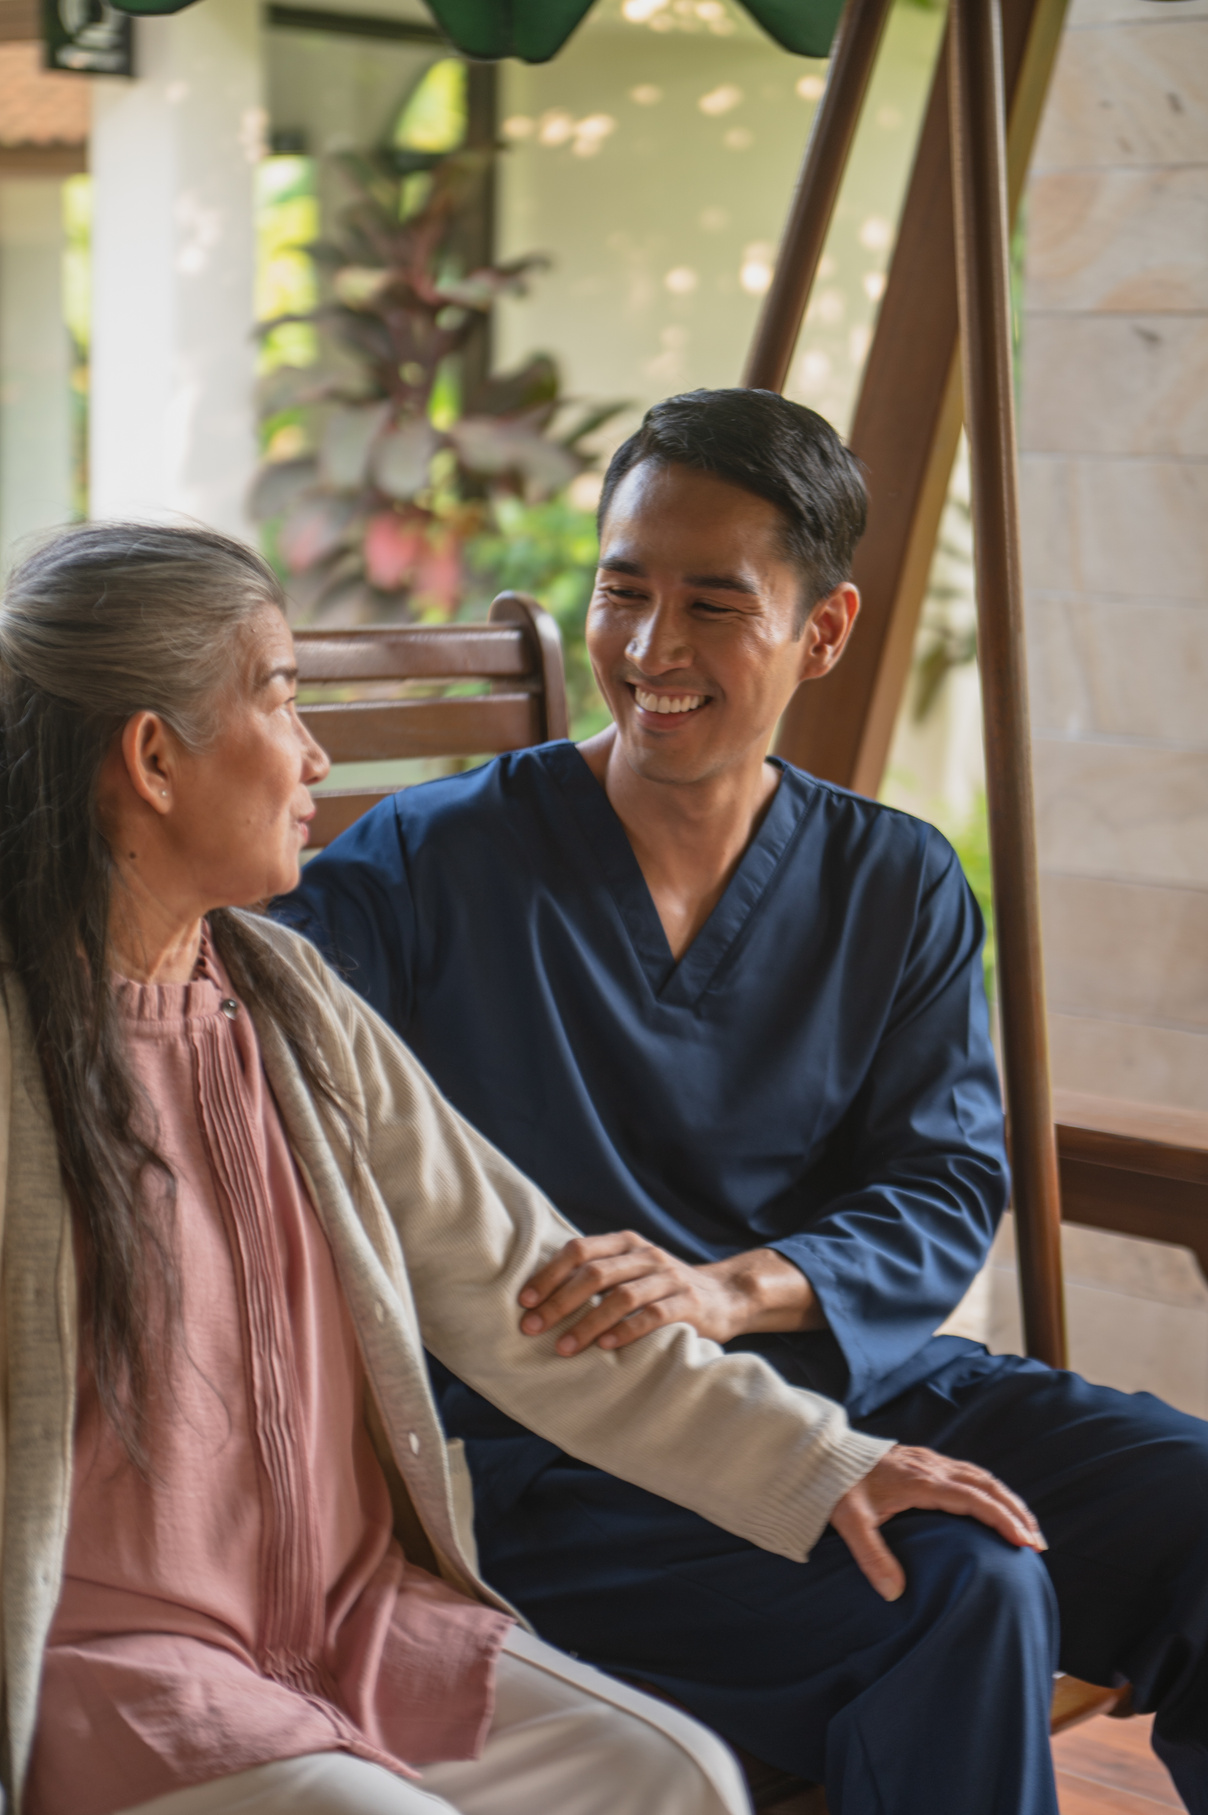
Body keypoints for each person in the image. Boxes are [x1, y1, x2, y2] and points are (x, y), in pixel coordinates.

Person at [0, 523, 1038, 1815]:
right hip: (123, 1673)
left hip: (351, 1628)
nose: (317, 755)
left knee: (678, 1781)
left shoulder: (288, 1001)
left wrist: (824, 1461)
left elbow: (529, 1292)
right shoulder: (24, 1052)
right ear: (153, 759)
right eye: (280, 698)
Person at [277, 388, 1208, 1815]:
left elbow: (945, 1183)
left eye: (715, 605)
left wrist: (735, 1289)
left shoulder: (894, 883)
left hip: (856, 1375)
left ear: (821, 631)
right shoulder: (421, 868)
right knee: (960, 1583)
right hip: (569, 1451)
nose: (651, 650)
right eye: (624, 591)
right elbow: (256, 1091)